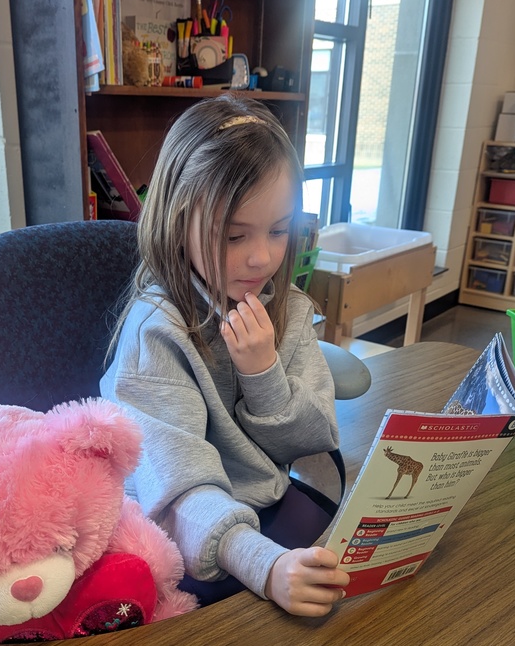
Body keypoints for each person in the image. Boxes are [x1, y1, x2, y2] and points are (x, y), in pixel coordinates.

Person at [100, 94, 350, 617]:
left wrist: (264, 376)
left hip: (267, 513)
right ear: (176, 222)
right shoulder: (157, 332)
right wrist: (266, 566)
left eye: (279, 230)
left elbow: (316, 437)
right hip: (188, 539)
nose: (262, 257)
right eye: (235, 235)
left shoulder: (290, 310)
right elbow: (178, 492)